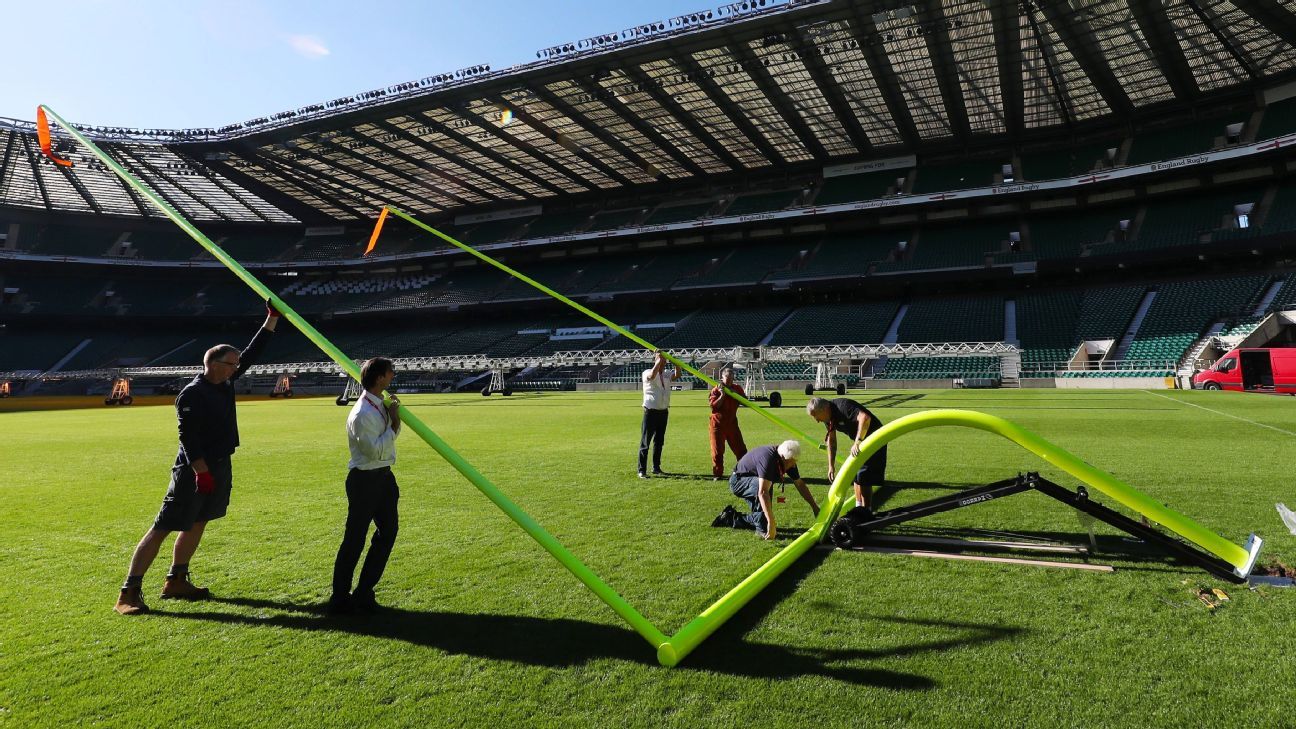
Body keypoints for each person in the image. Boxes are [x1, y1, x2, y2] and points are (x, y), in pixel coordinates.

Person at [114, 301, 280, 615]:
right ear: (214, 364)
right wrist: (200, 472)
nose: (237, 368)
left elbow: (253, 352)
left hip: (219, 464)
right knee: (163, 526)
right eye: (232, 364)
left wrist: (270, 320)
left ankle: (176, 580)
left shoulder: (225, 381)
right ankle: (128, 592)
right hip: (194, 470)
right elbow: (188, 439)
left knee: (198, 524)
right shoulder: (192, 394)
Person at [330, 357, 402, 615]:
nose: (393, 375)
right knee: (354, 539)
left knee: (389, 532)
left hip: (383, 477)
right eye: (390, 372)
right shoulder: (363, 412)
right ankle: (340, 597)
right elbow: (373, 451)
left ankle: (364, 591)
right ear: (380, 377)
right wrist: (393, 422)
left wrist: (393, 421)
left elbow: (388, 441)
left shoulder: (378, 404)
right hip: (365, 480)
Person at [712, 440, 818, 540]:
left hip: (754, 483)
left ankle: (729, 518)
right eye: (792, 462)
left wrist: (815, 507)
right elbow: (762, 492)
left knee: (763, 516)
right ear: (783, 458)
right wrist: (771, 522)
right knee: (763, 490)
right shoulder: (768, 460)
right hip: (738, 481)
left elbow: (800, 484)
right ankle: (762, 530)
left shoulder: (788, 460)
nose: (794, 465)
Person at [806, 396, 887, 513]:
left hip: (875, 437)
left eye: (816, 417)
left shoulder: (843, 406)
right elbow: (832, 441)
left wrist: (858, 442)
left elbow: (865, 418)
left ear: (824, 409)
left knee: (864, 475)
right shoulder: (828, 418)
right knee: (855, 473)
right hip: (862, 441)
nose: (817, 421)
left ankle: (866, 511)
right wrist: (831, 466)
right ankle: (859, 508)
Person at [638, 350, 680, 478]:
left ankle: (656, 467)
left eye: (664, 360)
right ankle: (642, 470)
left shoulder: (666, 374)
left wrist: (675, 362)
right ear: (655, 361)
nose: (663, 361)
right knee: (645, 442)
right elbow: (652, 376)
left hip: (663, 412)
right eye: (660, 359)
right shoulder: (647, 372)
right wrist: (658, 361)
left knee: (659, 442)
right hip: (650, 412)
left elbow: (677, 374)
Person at [708, 367, 748, 479]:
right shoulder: (716, 389)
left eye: (731, 379)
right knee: (717, 451)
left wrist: (735, 394)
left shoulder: (737, 388)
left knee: (741, 450)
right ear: (722, 377)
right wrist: (722, 395)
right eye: (727, 378)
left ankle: (745, 471)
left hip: (732, 424)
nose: (729, 381)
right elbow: (713, 406)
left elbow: (746, 402)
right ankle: (718, 474)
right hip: (717, 425)